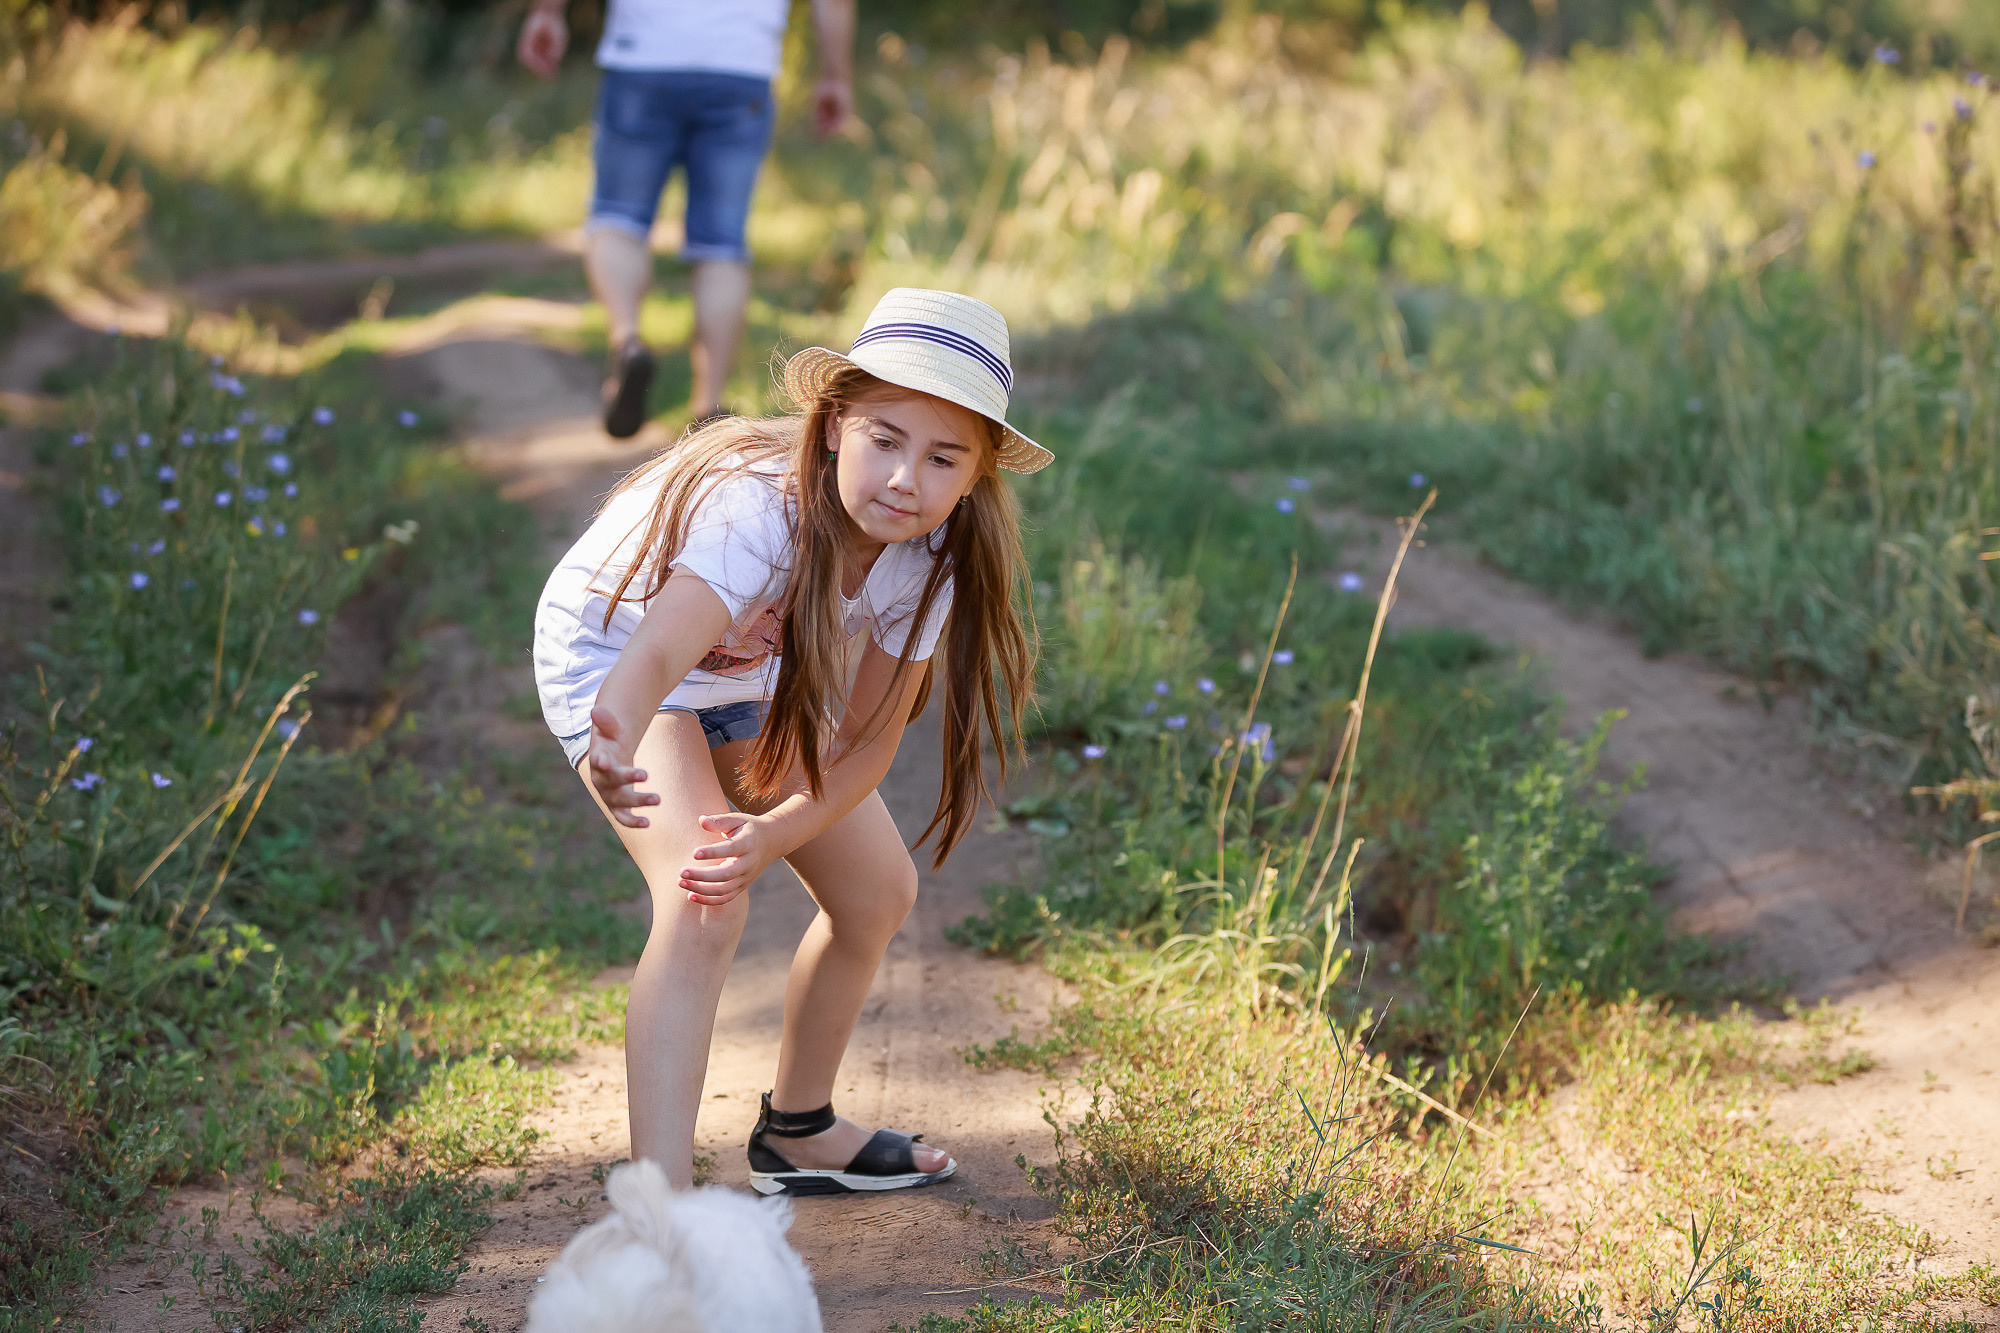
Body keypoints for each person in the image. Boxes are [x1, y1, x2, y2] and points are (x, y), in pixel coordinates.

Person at [531, 289, 1054, 1193]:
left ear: (976, 478)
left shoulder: (933, 561)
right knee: (702, 894)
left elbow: (865, 742)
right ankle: (661, 1212)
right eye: (885, 440)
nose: (905, 479)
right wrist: (613, 735)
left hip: (748, 670)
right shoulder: (756, 511)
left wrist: (777, 830)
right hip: (616, 656)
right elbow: (658, 651)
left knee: (879, 891)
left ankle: (799, 1129)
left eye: (942, 459)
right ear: (833, 426)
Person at [518, 0, 855, 438]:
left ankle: (628, 341)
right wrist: (835, 76)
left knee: (616, 220)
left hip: (643, 57)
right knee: (722, 245)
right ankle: (709, 408)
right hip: (741, 64)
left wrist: (548, 13)